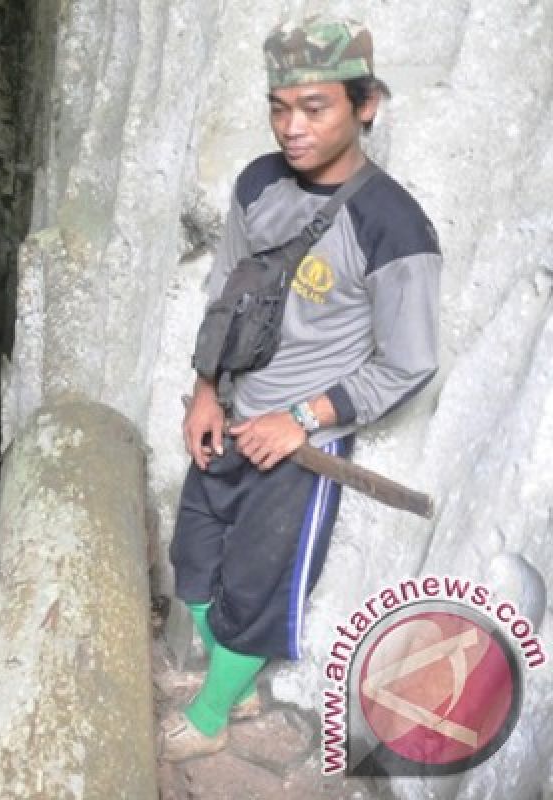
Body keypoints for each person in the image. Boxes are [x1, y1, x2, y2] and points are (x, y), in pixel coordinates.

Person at [161, 14, 441, 762]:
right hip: (230, 415)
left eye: (314, 107)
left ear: (366, 105)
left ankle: (215, 712)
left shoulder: (393, 226)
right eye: (279, 107)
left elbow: (408, 361)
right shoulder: (258, 182)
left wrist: (301, 419)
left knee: (255, 590)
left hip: (299, 451)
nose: (292, 126)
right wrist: (205, 391)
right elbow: (225, 289)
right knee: (192, 561)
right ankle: (237, 679)